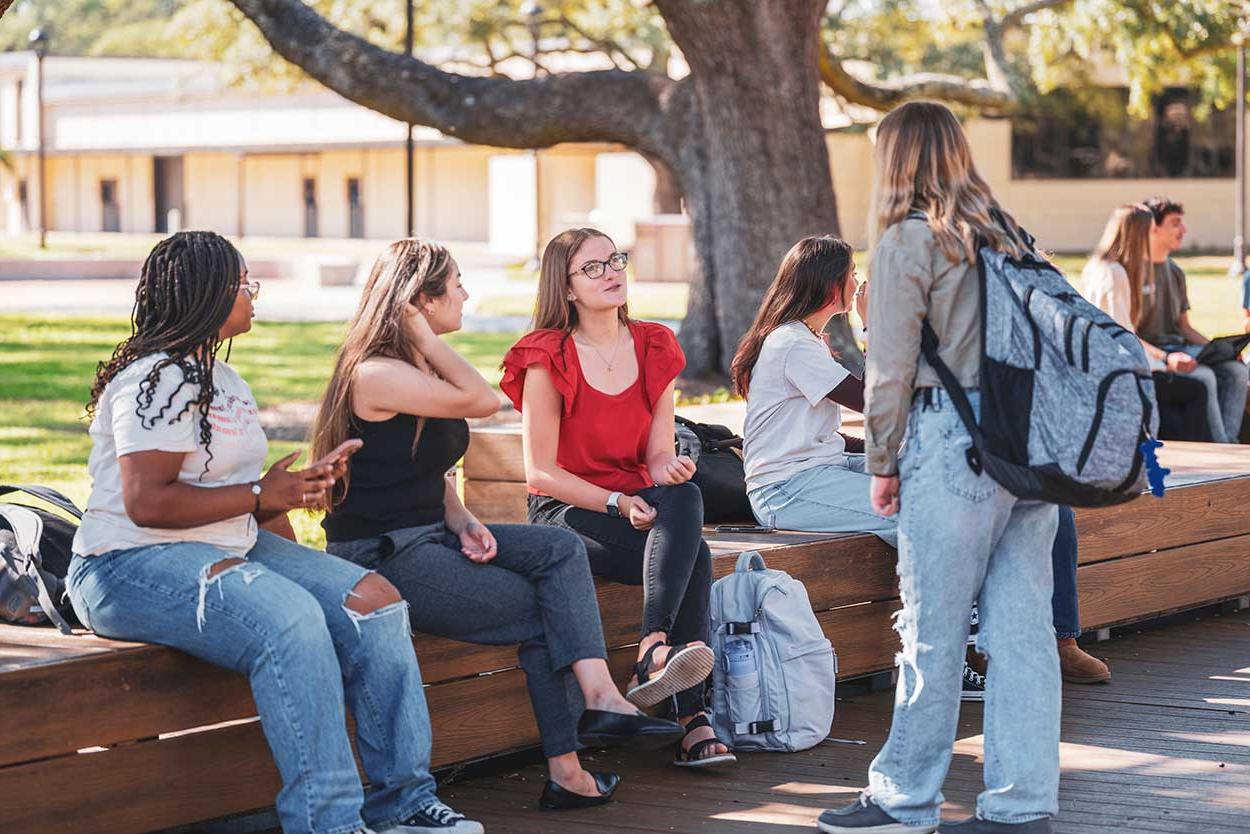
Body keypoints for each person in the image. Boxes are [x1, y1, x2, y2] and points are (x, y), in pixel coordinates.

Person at [66, 231, 482, 834]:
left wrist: (292, 495)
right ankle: (330, 822)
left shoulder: (225, 381)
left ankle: (405, 802)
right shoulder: (151, 381)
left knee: (374, 603)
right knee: (289, 619)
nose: (253, 294)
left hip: (225, 540)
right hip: (128, 564)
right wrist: (264, 495)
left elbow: (237, 499)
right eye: (242, 283)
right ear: (204, 293)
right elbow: (147, 502)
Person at [312, 239, 683, 811]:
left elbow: (419, 466)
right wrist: (424, 338)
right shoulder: (375, 372)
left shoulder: (405, 370)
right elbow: (481, 399)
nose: (465, 293)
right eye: (455, 283)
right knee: (545, 610)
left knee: (558, 550)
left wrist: (461, 518)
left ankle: (602, 700)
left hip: (428, 539)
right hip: (380, 557)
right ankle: (569, 765)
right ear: (419, 302)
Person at [817, 102, 1060, 834]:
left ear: (894, 159)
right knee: (1022, 633)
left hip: (950, 441)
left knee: (932, 630)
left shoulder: (906, 241)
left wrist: (881, 463)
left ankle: (904, 798)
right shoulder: (1008, 233)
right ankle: (1022, 806)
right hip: (1030, 445)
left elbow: (888, 370)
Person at [500, 228, 735, 770]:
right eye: (593, 268)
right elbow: (541, 471)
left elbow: (655, 455)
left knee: (686, 493)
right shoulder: (547, 355)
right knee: (694, 553)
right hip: (569, 511)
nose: (611, 272)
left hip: (636, 505)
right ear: (566, 287)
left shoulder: (654, 345)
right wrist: (614, 502)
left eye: (615, 260)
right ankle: (689, 716)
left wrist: (668, 468)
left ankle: (654, 647)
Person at [731, 235, 898, 547]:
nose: (858, 282)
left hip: (817, 473)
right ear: (830, 286)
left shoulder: (806, 339)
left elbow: (819, 437)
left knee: (933, 486)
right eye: (852, 273)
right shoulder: (792, 343)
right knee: (911, 512)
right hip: (785, 490)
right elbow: (876, 403)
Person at [1080, 203, 1211, 441]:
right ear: (1137, 234)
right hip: (1122, 371)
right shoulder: (1115, 273)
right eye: (1150, 231)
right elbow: (1121, 333)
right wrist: (1163, 364)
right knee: (1196, 390)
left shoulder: (1095, 266)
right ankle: (1203, 457)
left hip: (1105, 365)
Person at [1136, 197, 1249, 443]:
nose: (1183, 230)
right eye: (1175, 223)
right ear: (1153, 227)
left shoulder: (1175, 271)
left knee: (1237, 371)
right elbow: (1128, 333)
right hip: (1156, 355)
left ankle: (1230, 442)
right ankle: (1220, 447)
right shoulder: (1133, 271)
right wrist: (1166, 357)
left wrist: (1222, 350)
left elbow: (1184, 326)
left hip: (1180, 347)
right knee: (1205, 375)